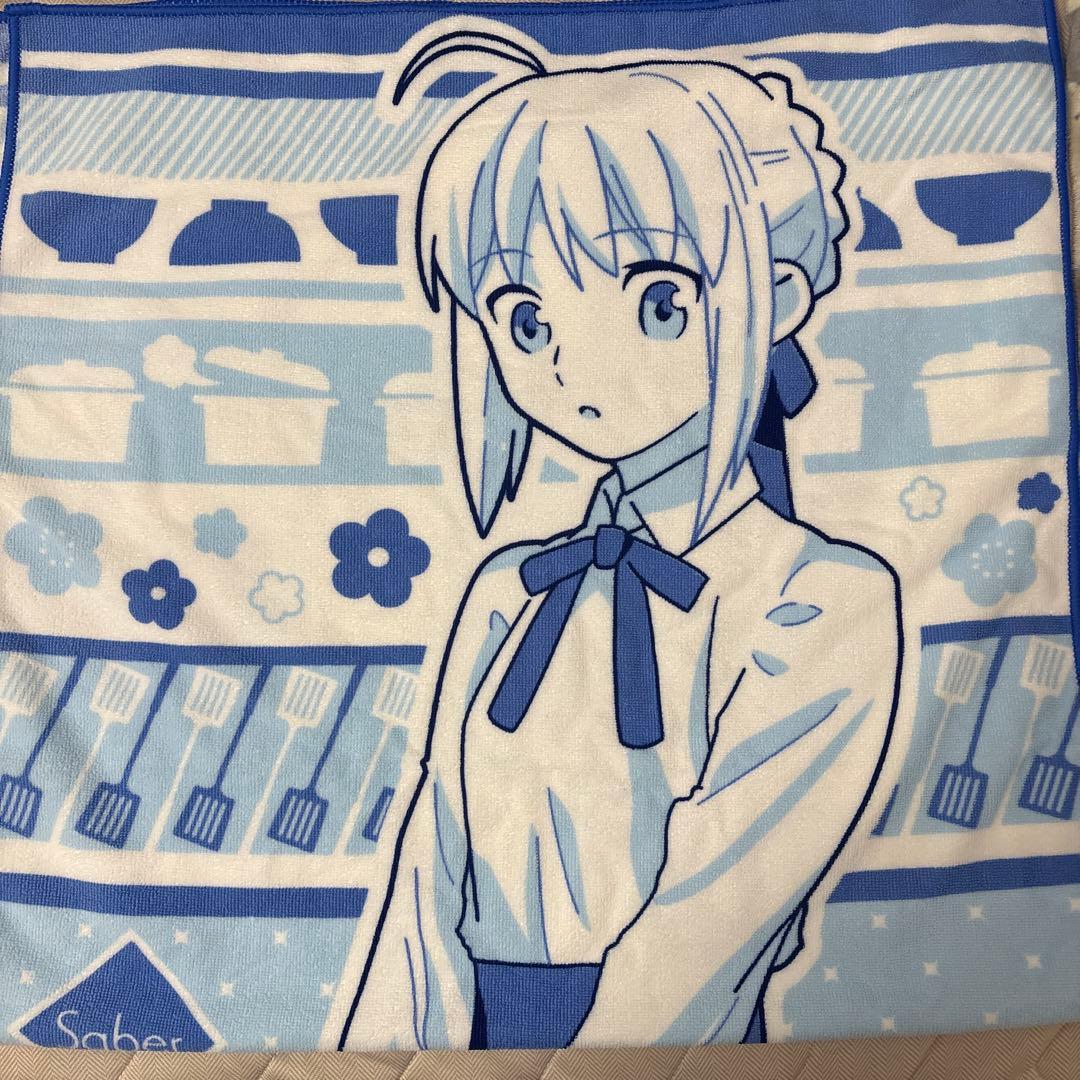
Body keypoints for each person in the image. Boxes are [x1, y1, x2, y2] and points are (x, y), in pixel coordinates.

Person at [341, 37, 902, 1050]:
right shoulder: (508, 588)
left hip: (677, 1040)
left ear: (775, 294)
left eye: (658, 301)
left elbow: (724, 905)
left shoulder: (820, 595)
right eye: (524, 317)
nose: (574, 361)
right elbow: (428, 866)